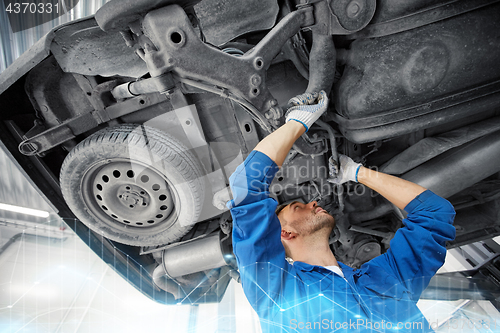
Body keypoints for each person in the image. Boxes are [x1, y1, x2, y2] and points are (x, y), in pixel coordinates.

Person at [226, 91, 456, 332]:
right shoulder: (277, 293)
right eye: (298, 207)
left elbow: (434, 213)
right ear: (286, 233)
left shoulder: (382, 279)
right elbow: (245, 188)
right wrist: (297, 123)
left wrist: (357, 172)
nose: (312, 202)